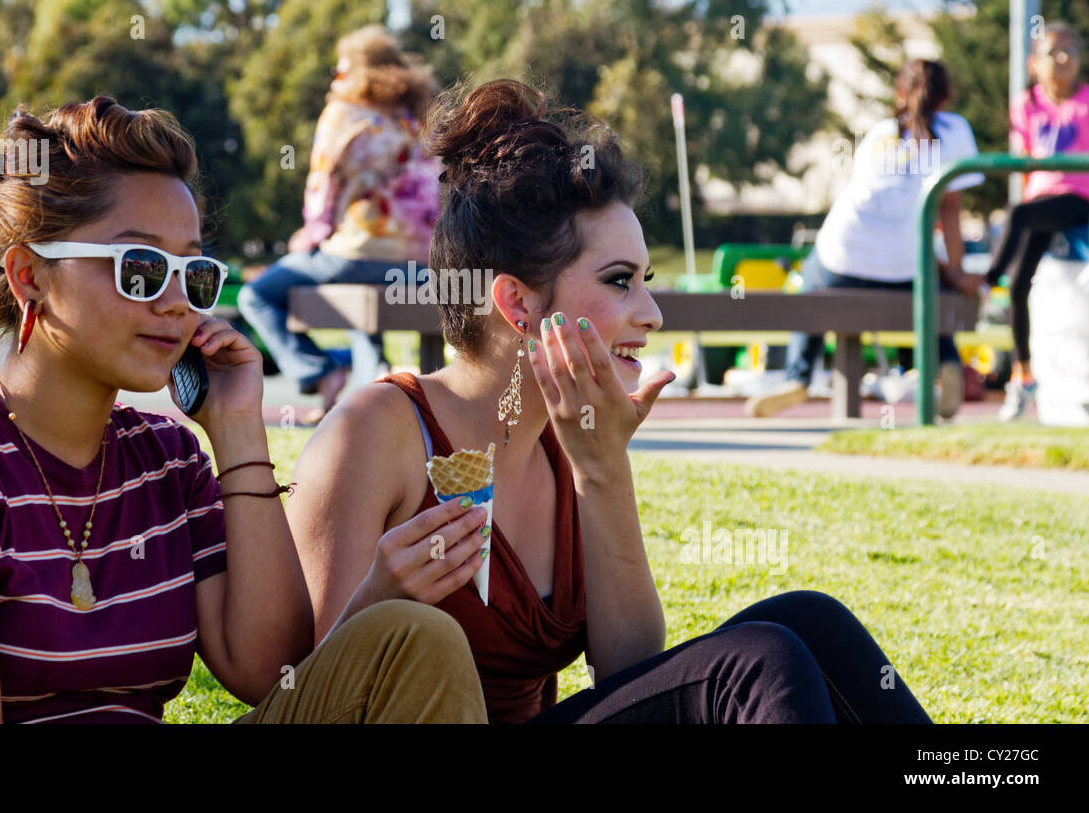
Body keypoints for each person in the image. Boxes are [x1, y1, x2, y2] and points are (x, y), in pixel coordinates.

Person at [285, 78, 932, 724]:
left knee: (809, 622)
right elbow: (316, 697)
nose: (650, 314)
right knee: (761, 660)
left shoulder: (568, 438)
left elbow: (629, 673)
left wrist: (602, 467)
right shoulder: (377, 432)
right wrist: (383, 594)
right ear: (516, 303)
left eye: (643, 281)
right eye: (619, 282)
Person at [0, 95, 485, 724]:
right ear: (31, 275)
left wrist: (235, 431)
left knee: (412, 637)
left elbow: (269, 671)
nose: (178, 302)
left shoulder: (167, 460)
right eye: (139, 268)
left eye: (194, 273)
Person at [746, 58, 986, 419]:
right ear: (946, 95)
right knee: (935, 288)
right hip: (906, 271)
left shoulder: (880, 133)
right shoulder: (955, 130)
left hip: (844, 255)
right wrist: (953, 270)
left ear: (900, 92)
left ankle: (798, 375)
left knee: (809, 284)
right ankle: (947, 362)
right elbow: (950, 211)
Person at [238, 26, 442, 423]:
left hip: (360, 254)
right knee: (357, 293)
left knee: (256, 295)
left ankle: (322, 370)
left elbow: (323, 183)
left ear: (358, 71)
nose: (336, 78)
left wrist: (311, 236)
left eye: (340, 69)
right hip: (421, 265)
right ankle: (373, 373)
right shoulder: (417, 120)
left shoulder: (345, 113)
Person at [987, 21, 1089, 421]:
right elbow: (1025, 158)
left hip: (1078, 199)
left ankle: (983, 280)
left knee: (1019, 214)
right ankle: (1023, 375)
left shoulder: (1085, 102)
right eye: (1054, 51)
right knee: (1018, 286)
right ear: (1035, 63)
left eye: (1072, 50)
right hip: (1040, 205)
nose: (1063, 59)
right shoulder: (1025, 104)